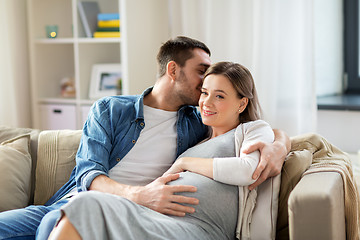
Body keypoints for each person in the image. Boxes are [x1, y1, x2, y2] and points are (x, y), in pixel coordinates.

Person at [0, 36, 290, 240]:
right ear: (173, 70)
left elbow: (247, 125)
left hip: (128, 214)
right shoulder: (111, 109)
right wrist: (139, 194)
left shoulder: (197, 120)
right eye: (201, 73)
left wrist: (279, 144)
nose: (206, 85)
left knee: (56, 224)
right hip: (72, 201)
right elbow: (89, 174)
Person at [49, 61, 278, 240]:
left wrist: (186, 163)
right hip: (157, 218)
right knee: (85, 203)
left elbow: (248, 170)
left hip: (199, 229)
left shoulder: (253, 129)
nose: (206, 102)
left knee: (86, 207)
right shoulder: (197, 135)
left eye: (219, 96)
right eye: (204, 92)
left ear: (242, 104)